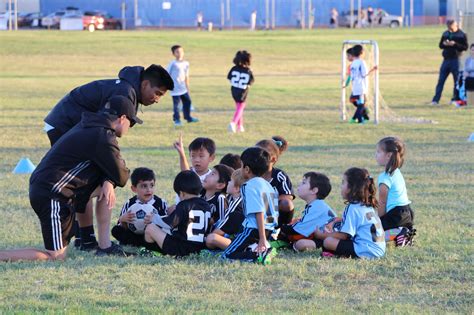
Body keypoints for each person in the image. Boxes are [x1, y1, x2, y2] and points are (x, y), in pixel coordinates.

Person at [43, 64, 173, 249]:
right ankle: (96, 242)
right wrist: (108, 177)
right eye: (158, 93)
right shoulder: (125, 92)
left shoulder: (129, 90)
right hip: (65, 126)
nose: (158, 99)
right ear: (145, 84)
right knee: (96, 180)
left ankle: (84, 238)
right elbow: (105, 137)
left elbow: (105, 138)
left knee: (98, 178)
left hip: (65, 125)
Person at [0, 96, 140, 262]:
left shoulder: (91, 125)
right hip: (51, 195)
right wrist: (111, 179)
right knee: (55, 256)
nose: (130, 127)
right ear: (122, 118)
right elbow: (122, 175)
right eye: (131, 122)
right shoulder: (102, 136)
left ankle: (104, 245)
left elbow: (114, 174)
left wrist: (108, 182)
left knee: (108, 182)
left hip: (54, 190)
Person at [222, 147, 279, 265]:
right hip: (268, 227)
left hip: (253, 228)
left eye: (242, 165)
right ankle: (259, 250)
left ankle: (259, 255)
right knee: (236, 248)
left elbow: (258, 211)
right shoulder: (267, 185)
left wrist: (262, 238)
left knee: (226, 256)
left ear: (247, 169)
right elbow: (272, 210)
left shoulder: (249, 186)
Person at [314, 168, 385, 259]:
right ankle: (342, 254)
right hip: (379, 250)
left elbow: (344, 236)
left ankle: (340, 255)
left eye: (343, 182)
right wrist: (335, 221)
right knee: (337, 230)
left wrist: (322, 235)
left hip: (366, 250)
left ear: (351, 188)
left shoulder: (352, 207)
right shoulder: (367, 205)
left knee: (328, 241)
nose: (341, 186)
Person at [143, 170, 212, 257]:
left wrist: (154, 218)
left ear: (181, 193)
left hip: (181, 248)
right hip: (199, 248)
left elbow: (170, 223)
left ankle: (152, 252)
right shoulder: (206, 205)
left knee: (150, 228)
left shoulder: (184, 205)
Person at [279, 172, 336, 252]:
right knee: (297, 228)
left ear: (314, 190)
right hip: (321, 237)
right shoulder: (316, 205)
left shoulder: (317, 207)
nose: (299, 184)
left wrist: (280, 227)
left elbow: (298, 229)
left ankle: (288, 244)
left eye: (304, 183)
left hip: (328, 239)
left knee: (301, 244)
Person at [111, 167, 167, 247]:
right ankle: (136, 243)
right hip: (135, 235)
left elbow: (166, 226)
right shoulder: (129, 203)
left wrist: (155, 220)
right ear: (134, 188)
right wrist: (123, 220)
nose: (149, 190)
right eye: (144, 186)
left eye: (151, 185)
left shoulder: (161, 203)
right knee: (116, 230)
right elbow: (123, 226)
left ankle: (144, 244)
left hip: (152, 236)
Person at [376, 137, 416, 247]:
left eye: (378, 152)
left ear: (388, 155)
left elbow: (382, 202)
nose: (376, 155)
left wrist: (379, 221)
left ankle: (400, 232)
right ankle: (405, 235)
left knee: (373, 235)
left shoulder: (385, 177)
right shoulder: (397, 172)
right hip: (407, 212)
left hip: (396, 215)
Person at [255, 136, 295, 226]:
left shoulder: (279, 175)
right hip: (253, 210)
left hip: (274, 213)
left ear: (273, 159)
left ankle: (280, 230)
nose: (256, 159)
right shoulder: (250, 173)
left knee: (284, 203)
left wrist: (267, 201)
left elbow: (287, 198)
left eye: (261, 156)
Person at [430, 20, 468, 106]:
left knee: (456, 81)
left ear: (455, 25)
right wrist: (444, 44)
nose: (449, 29)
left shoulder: (462, 34)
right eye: (448, 27)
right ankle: (435, 100)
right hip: (446, 60)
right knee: (441, 81)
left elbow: (465, 47)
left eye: (451, 27)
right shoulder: (445, 33)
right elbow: (440, 45)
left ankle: (455, 99)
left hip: (456, 60)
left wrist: (454, 44)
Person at [206, 168, 245, 250]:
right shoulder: (232, 199)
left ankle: (246, 249)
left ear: (237, 188)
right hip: (237, 237)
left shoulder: (238, 205)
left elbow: (220, 230)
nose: (228, 183)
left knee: (211, 238)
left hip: (243, 241)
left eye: (230, 181)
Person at [167, 45, 199, 127]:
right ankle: (177, 120)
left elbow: (186, 77)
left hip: (183, 88)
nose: (180, 53)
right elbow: (167, 74)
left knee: (188, 102)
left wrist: (187, 88)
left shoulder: (186, 63)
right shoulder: (172, 64)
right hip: (175, 89)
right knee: (176, 105)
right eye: (177, 52)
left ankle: (188, 117)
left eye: (181, 51)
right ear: (173, 54)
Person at [348, 45, 378, 124]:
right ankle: (358, 120)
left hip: (355, 85)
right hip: (361, 86)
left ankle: (365, 117)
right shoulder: (361, 62)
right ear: (362, 53)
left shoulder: (353, 63)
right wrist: (373, 69)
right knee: (361, 104)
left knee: (360, 103)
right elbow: (364, 74)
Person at [227, 50, 254, 133]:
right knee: (241, 107)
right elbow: (251, 81)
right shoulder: (248, 70)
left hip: (234, 90)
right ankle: (233, 122)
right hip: (243, 91)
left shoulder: (234, 68)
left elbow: (229, 77)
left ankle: (240, 126)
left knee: (238, 107)